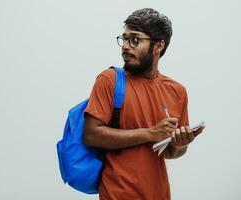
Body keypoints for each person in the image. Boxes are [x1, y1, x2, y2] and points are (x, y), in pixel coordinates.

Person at [83, 8, 205, 200]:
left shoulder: (177, 91)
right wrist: (150, 133)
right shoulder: (109, 80)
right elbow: (91, 135)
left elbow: (171, 152)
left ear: (158, 46)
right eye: (124, 39)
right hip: (116, 195)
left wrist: (181, 144)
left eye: (135, 39)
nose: (125, 46)